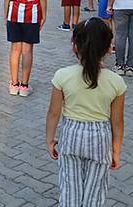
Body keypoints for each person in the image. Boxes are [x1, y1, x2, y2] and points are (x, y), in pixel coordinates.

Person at [46, 18, 126, 207]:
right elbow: (117, 122)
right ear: (108, 48)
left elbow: (54, 113)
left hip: (70, 135)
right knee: (95, 193)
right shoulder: (116, 82)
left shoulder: (62, 76)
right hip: (100, 138)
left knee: (70, 189)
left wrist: (50, 139)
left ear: (75, 46)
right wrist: (116, 151)